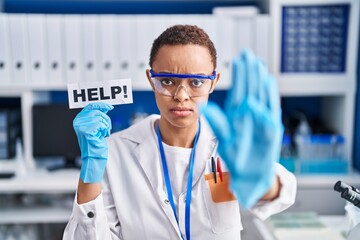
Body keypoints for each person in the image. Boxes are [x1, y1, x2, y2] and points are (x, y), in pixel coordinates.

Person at [63, 25, 296, 240]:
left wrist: (264, 183)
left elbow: (283, 192)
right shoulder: (115, 151)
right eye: (167, 81)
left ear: (213, 82)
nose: (181, 95)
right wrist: (89, 176)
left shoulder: (230, 146)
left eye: (196, 82)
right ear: (150, 79)